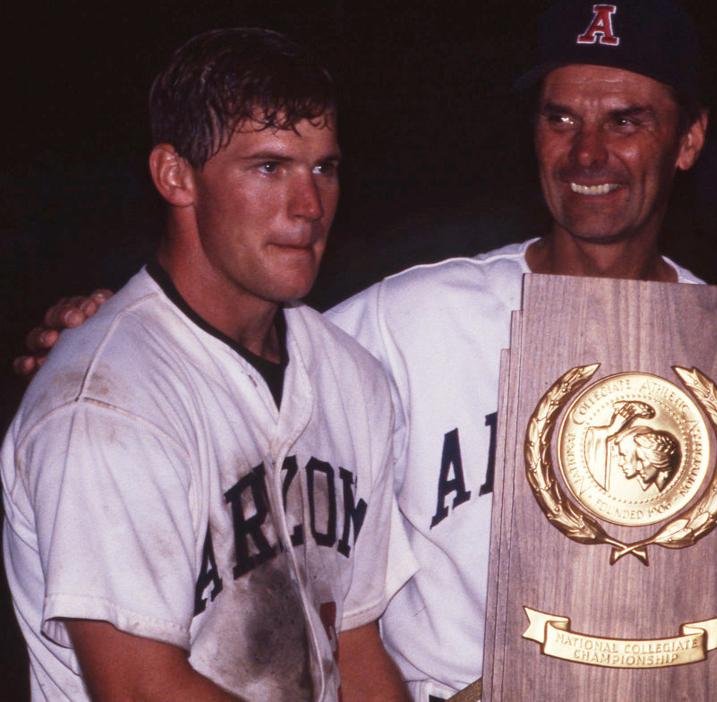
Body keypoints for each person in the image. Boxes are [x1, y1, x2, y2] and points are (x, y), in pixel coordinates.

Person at [11, 4, 717, 700]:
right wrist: (110, 323)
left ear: (688, 139)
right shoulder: (403, 322)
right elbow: (232, 352)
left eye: (627, 119)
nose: (589, 153)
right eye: (561, 118)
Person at [1, 29, 414, 701]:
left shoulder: (351, 376)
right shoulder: (105, 401)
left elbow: (355, 644)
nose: (309, 206)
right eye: (269, 167)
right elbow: (138, 690)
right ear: (175, 175)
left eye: (324, 168)